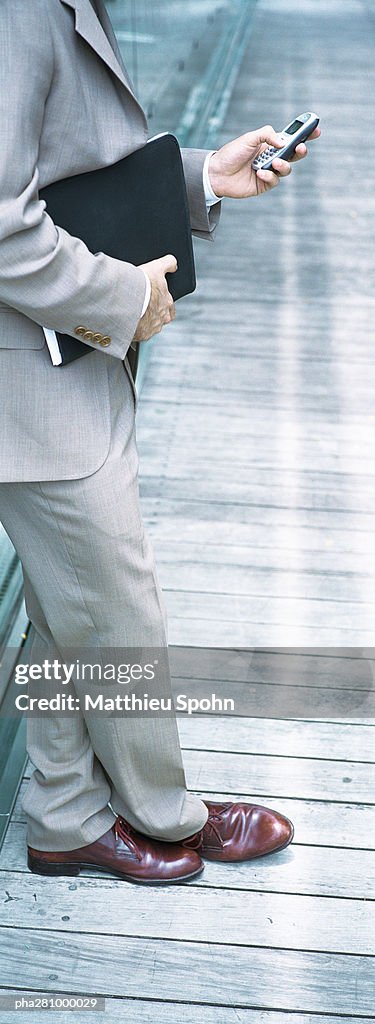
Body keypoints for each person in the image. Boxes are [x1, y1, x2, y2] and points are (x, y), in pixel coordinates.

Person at [0, 0, 320, 884]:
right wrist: (120, 299)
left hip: (52, 355)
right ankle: (163, 812)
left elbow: (61, 171)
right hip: (27, 368)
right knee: (114, 608)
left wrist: (200, 182)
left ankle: (64, 817)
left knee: (72, 605)